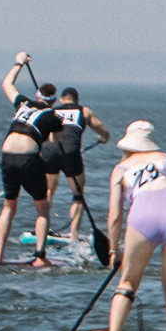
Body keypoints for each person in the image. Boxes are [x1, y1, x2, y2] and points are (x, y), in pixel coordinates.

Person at [102, 120, 166, 331]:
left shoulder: (120, 170)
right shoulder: (164, 157)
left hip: (143, 219)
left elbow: (114, 216)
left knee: (129, 282)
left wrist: (114, 250)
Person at [0, 53, 63, 265]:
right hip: (28, 158)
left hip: (7, 156)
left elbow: (7, 83)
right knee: (42, 208)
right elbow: (53, 143)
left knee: (9, 206)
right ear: (54, 102)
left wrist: (19, 63)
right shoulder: (53, 116)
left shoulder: (23, 103)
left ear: (36, 95)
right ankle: (40, 257)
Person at [42, 86, 112, 254]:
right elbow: (103, 130)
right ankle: (73, 235)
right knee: (78, 195)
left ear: (61, 99)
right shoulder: (84, 111)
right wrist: (103, 139)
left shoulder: (52, 111)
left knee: (48, 191)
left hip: (50, 151)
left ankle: (44, 228)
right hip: (71, 153)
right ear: (76, 100)